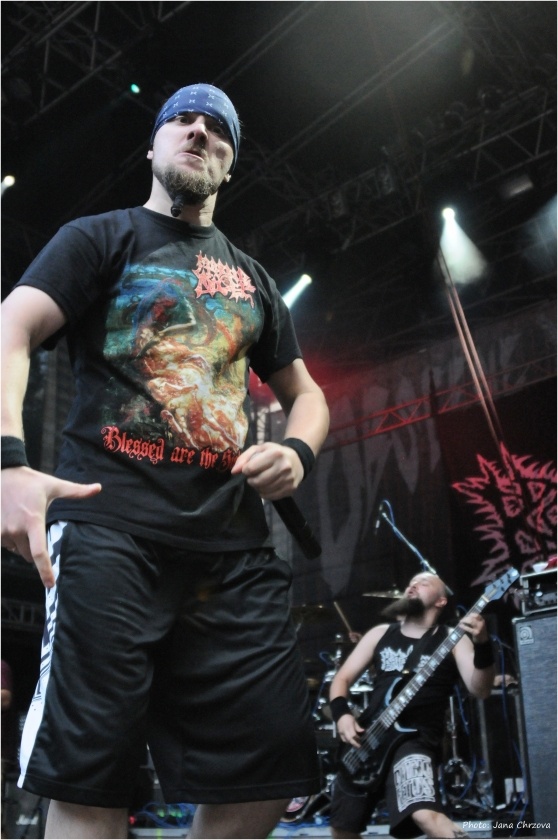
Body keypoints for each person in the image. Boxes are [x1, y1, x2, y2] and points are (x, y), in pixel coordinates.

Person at [1, 83, 330, 839]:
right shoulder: (100, 237)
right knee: (89, 779)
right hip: (109, 531)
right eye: (182, 119)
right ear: (153, 145)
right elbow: (10, 328)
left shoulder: (253, 279)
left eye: (218, 129)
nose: (199, 131)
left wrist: (296, 451)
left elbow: (307, 394)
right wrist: (9, 463)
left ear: (229, 164)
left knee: (273, 766)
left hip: (233, 548)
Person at [328, 572, 495, 839]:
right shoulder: (380, 634)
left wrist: (483, 645)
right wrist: (342, 715)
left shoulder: (452, 638)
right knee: (342, 829)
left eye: (423, 582)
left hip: (415, 740)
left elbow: (481, 689)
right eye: (411, 583)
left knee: (426, 816)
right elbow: (342, 679)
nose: (413, 585)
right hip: (368, 740)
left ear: (441, 601)